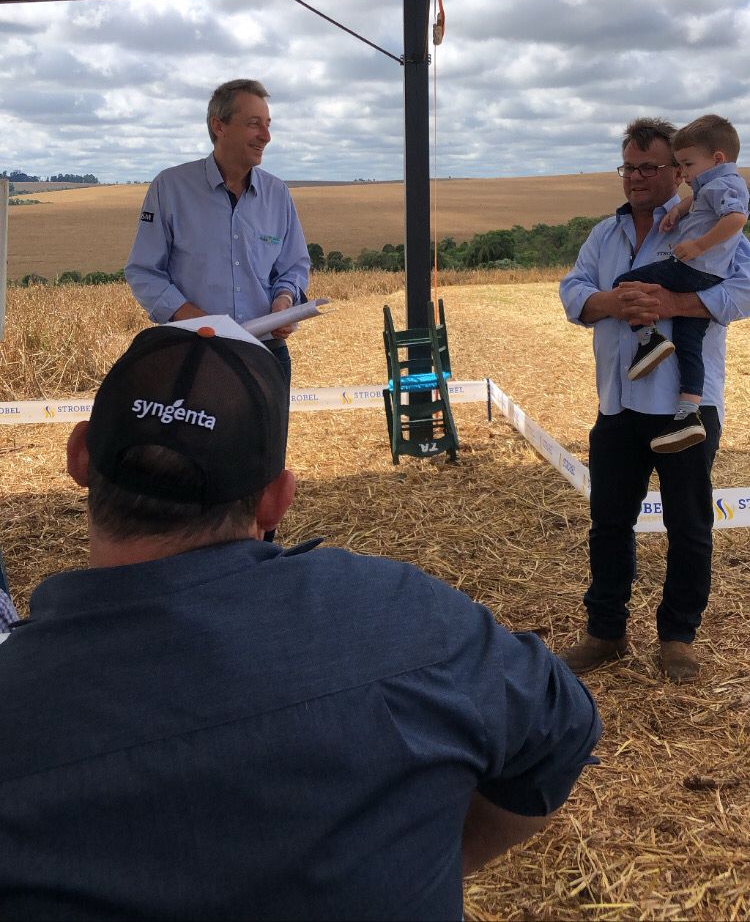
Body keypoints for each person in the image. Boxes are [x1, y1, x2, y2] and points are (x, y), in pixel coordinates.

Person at [0, 320, 601, 921]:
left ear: (79, 455)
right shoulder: (411, 622)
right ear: (276, 500)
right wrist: (441, 853)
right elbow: (563, 727)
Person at [559, 117, 750, 684]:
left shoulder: (708, 221)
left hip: (685, 405)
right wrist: (614, 304)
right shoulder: (604, 234)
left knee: (688, 526)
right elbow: (573, 289)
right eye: (629, 167)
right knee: (608, 523)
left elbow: (745, 289)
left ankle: (677, 638)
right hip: (617, 405)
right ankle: (605, 633)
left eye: (650, 167)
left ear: (679, 172)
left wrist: (672, 303)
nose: (637, 177)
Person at [124, 78, 310, 388]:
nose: (266, 136)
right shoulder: (170, 187)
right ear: (218, 126)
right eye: (254, 124)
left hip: (266, 354)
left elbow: (294, 266)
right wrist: (198, 320)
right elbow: (143, 272)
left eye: (267, 125)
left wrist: (284, 300)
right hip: (192, 352)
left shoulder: (278, 194)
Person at [612, 114, 748, 453]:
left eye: (686, 165)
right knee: (689, 344)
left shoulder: (724, 185)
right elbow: (701, 199)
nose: (685, 174)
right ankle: (688, 412)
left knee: (627, 281)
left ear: (717, 158)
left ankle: (649, 339)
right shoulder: (711, 185)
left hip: (695, 269)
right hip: (706, 277)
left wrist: (699, 245)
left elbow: (736, 217)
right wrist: (680, 210)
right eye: (629, 168)